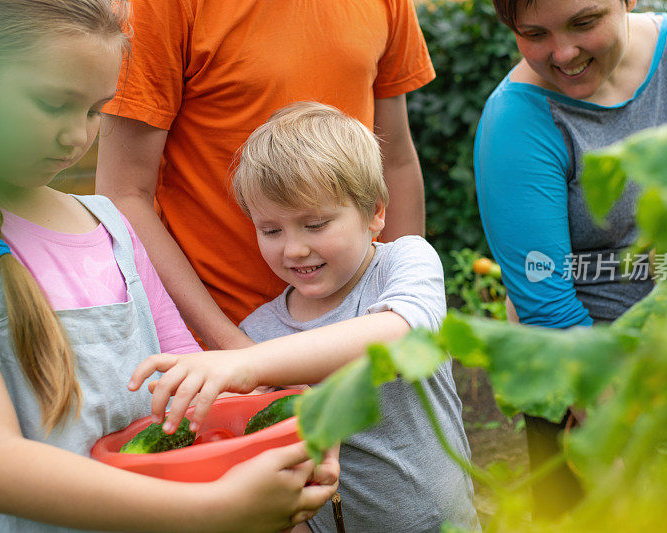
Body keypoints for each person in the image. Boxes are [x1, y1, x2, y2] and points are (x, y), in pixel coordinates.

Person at [0, 2, 337, 531]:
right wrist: (215, 511)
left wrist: (288, 426)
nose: (76, 137)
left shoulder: (109, 227)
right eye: (52, 103)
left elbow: (186, 378)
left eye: (93, 111)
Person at [129, 102, 480, 533]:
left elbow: (401, 336)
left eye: (315, 224)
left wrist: (247, 363)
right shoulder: (259, 332)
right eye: (271, 230)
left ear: (375, 212)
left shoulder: (403, 263)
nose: (293, 249)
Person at [473, 0, 667, 518]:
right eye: (535, 33)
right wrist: (611, 425)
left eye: (584, 22)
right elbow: (547, 302)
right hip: (590, 376)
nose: (564, 52)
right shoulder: (516, 121)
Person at [95, 0, 435, 351]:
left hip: (363, 333)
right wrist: (241, 354)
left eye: (315, 225)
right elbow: (123, 194)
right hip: (223, 341)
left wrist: (395, 300)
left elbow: (393, 160)